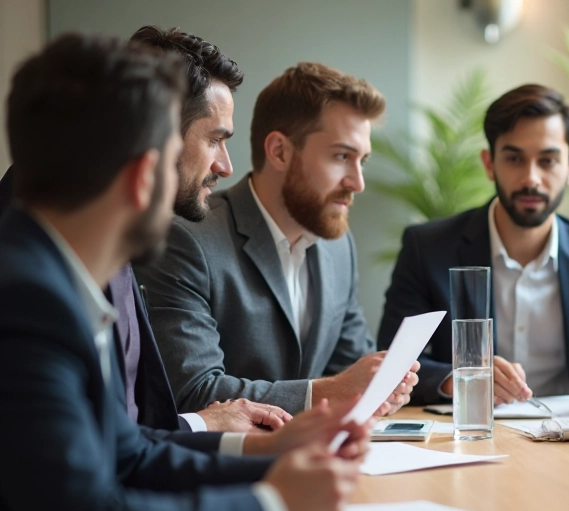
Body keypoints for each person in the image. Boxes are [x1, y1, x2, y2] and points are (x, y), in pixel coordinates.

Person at [0, 33, 368, 511]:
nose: (223, 167)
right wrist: (276, 510)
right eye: (209, 142)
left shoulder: (63, 268)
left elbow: (126, 451)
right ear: (143, 172)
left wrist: (270, 454)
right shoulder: (25, 302)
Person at [378, 84, 569, 406]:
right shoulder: (428, 248)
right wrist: (461, 379)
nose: (531, 178)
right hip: (472, 430)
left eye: (548, 161)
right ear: (489, 163)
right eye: (514, 158)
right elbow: (390, 364)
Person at [136, 62, 418, 415]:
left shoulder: (337, 246)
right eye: (342, 156)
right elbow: (193, 390)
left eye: (361, 160)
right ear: (280, 151)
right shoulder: (186, 240)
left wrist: (381, 389)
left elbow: (352, 366)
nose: (357, 182)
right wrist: (331, 391)